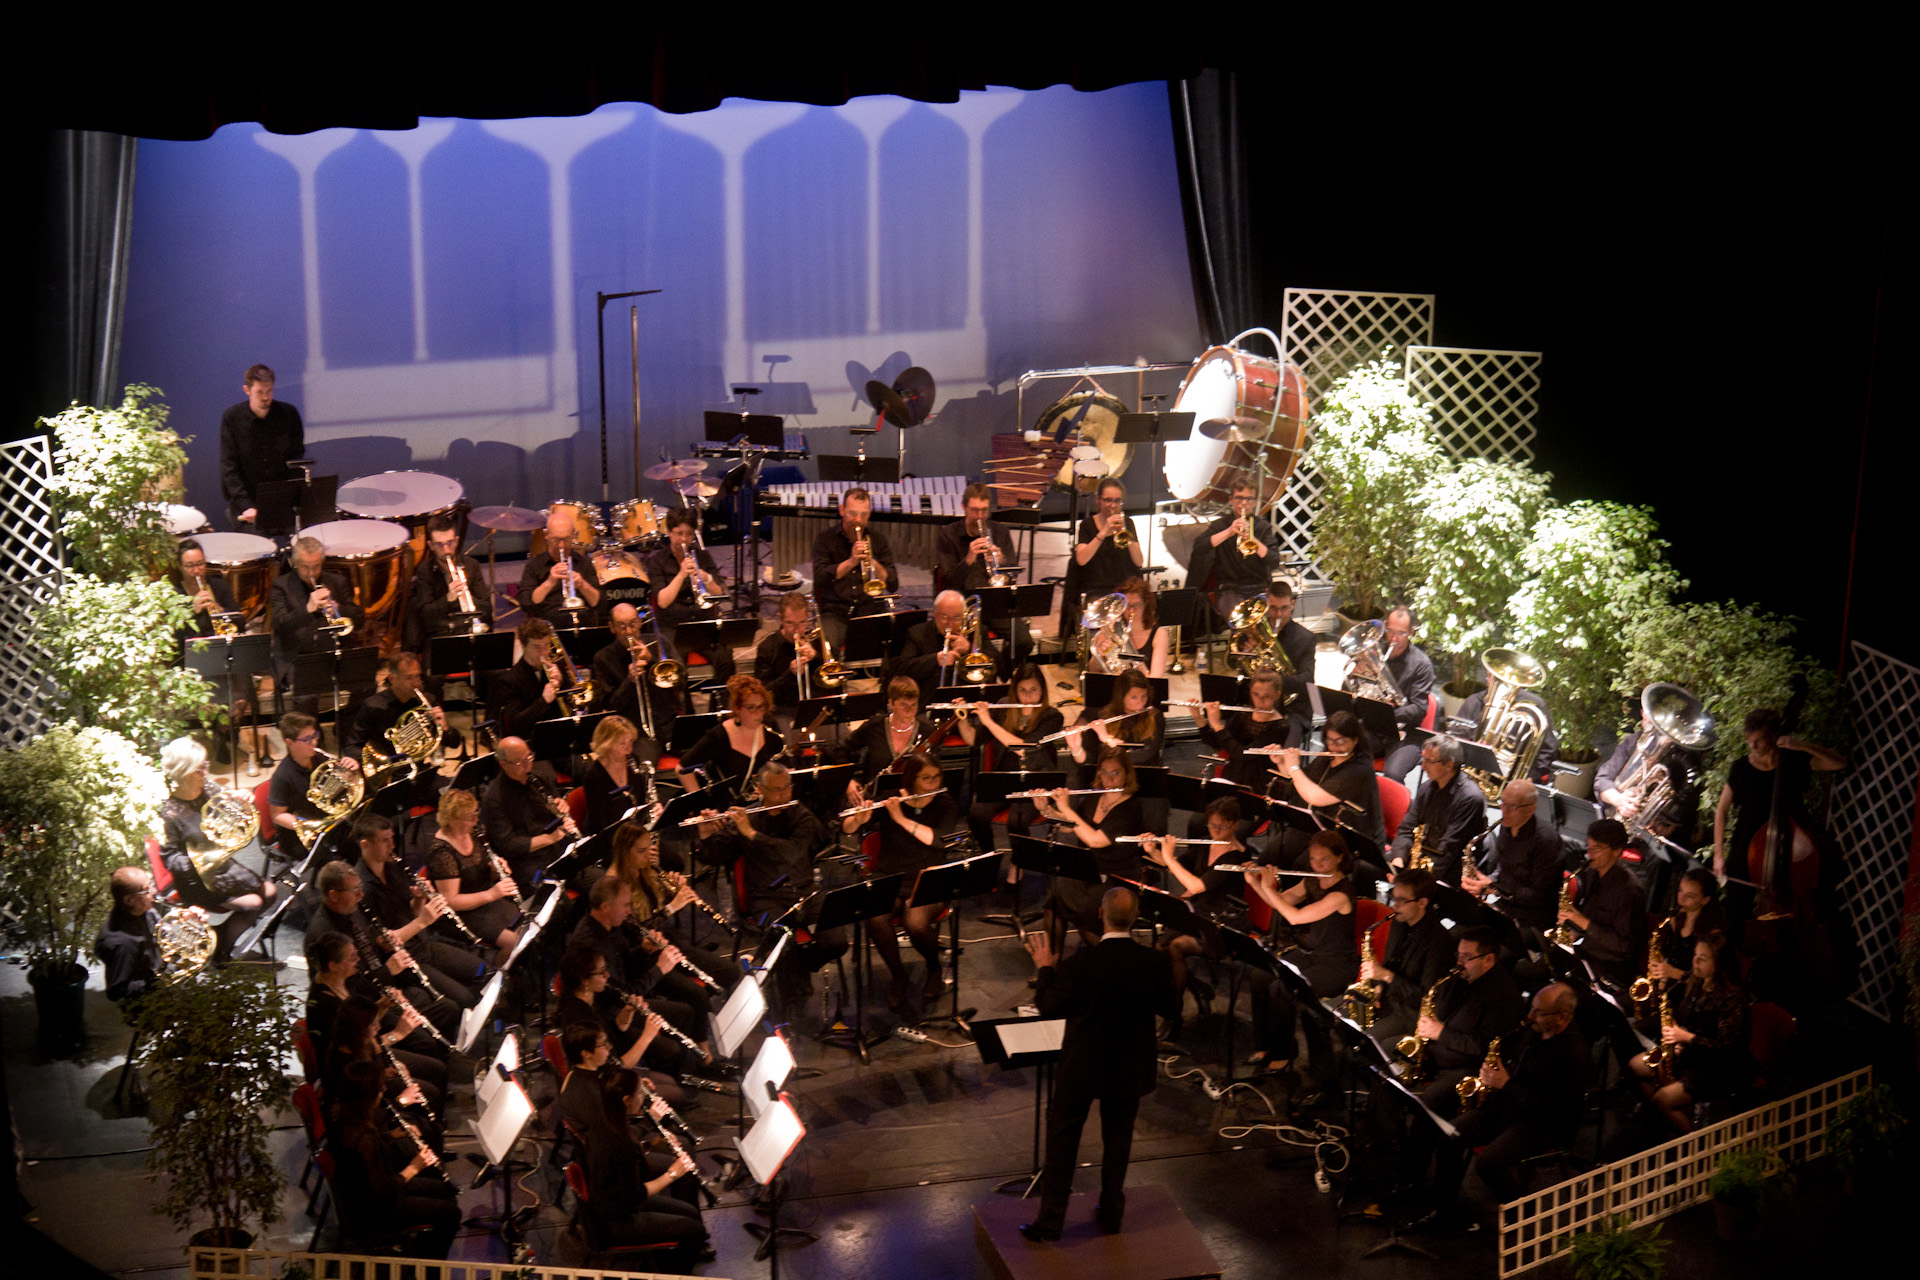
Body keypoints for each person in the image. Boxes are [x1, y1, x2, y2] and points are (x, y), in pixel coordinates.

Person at [1019, 886, 1181, 1242]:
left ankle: (1050, 1223)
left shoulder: (1082, 964)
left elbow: (1047, 1007)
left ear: (1100, 915)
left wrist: (1045, 968)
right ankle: (1111, 1216)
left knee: (1063, 1142)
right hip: (1129, 1066)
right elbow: (1172, 1009)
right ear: (1135, 918)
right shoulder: (1152, 962)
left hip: (1082, 1067)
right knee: (1118, 1142)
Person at [1410, 982, 1588, 1233]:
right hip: (1512, 1106)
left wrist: (1505, 1084)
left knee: (1489, 1162)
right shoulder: (1532, 1031)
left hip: (1544, 1124)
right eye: (1532, 1009)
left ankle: (1523, 1216)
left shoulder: (1572, 1055)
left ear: (1562, 1018)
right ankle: (1446, 1214)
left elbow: (1549, 1108)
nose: (1530, 1016)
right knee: (1451, 1133)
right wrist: (1492, 1075)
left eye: (1538, 1012)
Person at [691, 763, 849, 1004]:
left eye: (787, 788)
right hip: (766, 899)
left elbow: (793, 853)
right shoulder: (747, 816)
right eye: (776, 790)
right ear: (760, 790)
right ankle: (789, 1010)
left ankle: (801, 968)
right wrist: (705, 834)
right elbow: (717, 856)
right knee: (781, 943)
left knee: (837, 941)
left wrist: (751, 834)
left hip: (806, 892)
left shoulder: (802, 815)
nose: (783, 795)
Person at [1712, 705, 1847, 938]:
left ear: (1774, 737)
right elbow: (1721, 811)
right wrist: (1718, 854)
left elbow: (1839, 763)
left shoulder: (1794, 761)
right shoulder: (1741, 768)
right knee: (1735, 917)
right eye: (1749, 740)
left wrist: (1802, 745)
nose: (1752, 747)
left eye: (1759, 741)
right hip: (1745, 851)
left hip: (1785, 852)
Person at [841, 752, 958, 1010]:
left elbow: (938, 840)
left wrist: (902, 819)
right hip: (890, 873)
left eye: (937, 777)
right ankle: (898, 976)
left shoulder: (945, 803)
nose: (933, 783)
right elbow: (847, 828)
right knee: (875, 918)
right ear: (911, 779)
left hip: (929, 875)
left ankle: (934, 968)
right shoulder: (891, 797)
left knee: (915, 922)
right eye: (926, 778)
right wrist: (859, 818)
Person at [1243, 831, 1359, 1088]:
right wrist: (1256, 884)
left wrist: (1266, 886)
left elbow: (1294, 917)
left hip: (1336, 964)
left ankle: (1284, 1055)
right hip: (1310, 955)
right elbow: (1282, 902)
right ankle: (1266, 1046)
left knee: (1282, 988)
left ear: (1340, 858)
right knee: (1260, 976)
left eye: (1324, 860)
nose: (1317, 865)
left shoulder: (1341, 894)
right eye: (1313, 859)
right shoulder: (1313, 881)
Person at [302, 858, 466, 1035]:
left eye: (360, 887)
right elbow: (346, 990)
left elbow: (367, 945)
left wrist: (381, 943)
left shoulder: (351, 909)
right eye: (354, 890)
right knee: (425, 1032)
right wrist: (387, 971)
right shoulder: (324, 936)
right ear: (333, 895)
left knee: (446, 1007)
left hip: (384, 990)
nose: (361, 895)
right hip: (365, 1011)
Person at [157, 736, 279, 962]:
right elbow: (169, 858)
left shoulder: (208, 787)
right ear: (182, 772)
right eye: (199, 768)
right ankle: (222, 947)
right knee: (254, 903)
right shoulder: (168, 812)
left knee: (270, 892)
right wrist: (199, 859)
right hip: (195, 879)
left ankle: (223, 935)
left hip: (222, 866)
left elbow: (231, 809)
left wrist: (243, 800)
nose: (206, 772)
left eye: (205, 765)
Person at [323, 1059, 460, 1257]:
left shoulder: (342, 1116)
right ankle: (429, 1269)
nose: (384, 1090)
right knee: (451, 1213)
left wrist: (391, 1136)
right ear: (368, 1096)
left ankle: (421, 1251)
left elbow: (363, 1163)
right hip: (374, 1212)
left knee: (443, 1190)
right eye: (380, 1089)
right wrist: (414, 1167)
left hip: (360, 1198)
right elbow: (384, 1189)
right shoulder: (363, 1136)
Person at [352, 812, 488, 1004]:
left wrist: (419, 899)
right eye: (384, 841)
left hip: (423, 944)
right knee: (464, 998)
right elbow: (384, 943)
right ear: (365, 845)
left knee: (483, 970)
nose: (392, 845)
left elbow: (412, 912)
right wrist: (423, 921)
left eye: (392, 838)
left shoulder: (392, 867)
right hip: (404, 960)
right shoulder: (361, 889)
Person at [1629, 931, 1753, 1133]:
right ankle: (1665, 1123)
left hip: (1717, 1069)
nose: (1694, 962)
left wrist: (1685, 1038)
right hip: (1691, 1055)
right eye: (1695, 955)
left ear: (1719, 963)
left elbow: (1727, 1048)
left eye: (1702, 959)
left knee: (1662, 1100)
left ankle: (1693, 1145)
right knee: (1635, 1065)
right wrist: (1677, 1042)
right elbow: (1687, 1021)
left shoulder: (1732, 1000)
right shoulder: (1696, 984)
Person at [581, 1066, 708, 1255]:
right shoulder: (622, 1141)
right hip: (619, 1220)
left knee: (690, 1212)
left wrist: (650, 1145)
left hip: (608, 1203)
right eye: (640, 1093)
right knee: (695, 1229)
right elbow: (636, 1195)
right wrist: (673, 1173)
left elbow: (617, 1163)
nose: (644, 1098)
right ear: (626, 1100)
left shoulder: (603, 1120)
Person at [1034, 747, 1148, 953]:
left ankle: (1110, 963)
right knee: (1054, 902)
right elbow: (1070, 825)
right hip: (1087, 870)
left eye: (1116, 773)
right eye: (1104, 772)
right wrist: (1046, 809)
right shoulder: (1095, 798)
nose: (1109, 778)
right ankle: (1051, 964)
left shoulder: (1130, 808)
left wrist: (1067, 809)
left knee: (1086, 917)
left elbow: (1096, 840)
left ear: (1126, 774)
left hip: (1114, 877)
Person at [1403, 926, 1526, 1094]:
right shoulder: (1459, 976)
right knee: (1389, 1049)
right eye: (1458, 955)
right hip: (1439, 1048)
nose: (1459, 963)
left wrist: (1441, 1033)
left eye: (1466, 957)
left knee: (1430, 1098)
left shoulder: (1503, 997)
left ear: (1488, 959)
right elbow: (1438, 1005)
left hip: (1465, 1066)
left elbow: (1483, 1048)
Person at [554, 948, 684, 1105]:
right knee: (676, 1093)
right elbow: (617, 1066)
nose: (607, 976)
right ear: (584, 980)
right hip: (603, 1085)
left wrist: (627, 1012)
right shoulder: (580, 1017)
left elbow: (615, 1030)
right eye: (601, 973)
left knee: (669, 1081)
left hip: (613, 1072)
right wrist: (647, 1036)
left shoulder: (590, 998)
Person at [958, 666, 1065, 853]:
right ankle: (988, 855)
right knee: (976, 814)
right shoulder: (1004, 707)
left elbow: (1024, 749)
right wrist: (960, 717)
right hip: (1003, 778)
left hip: (1035, 781)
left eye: (1034, 690)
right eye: (1022, 690)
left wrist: (988, 721)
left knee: (1017, 821)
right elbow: (973, 739)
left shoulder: (1052, 716)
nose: (1028, 697)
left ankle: (1019, 863)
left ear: (1042, 690)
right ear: (1015, 690)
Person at [1267, 710, 1386, 869]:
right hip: (1315, 828)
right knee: (1268, 859)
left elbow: (1315, 797)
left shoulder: (1360, 770)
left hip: (1345, 840)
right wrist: (1282, 763)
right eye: (1329, 740)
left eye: (1340, 741)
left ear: (1355, 740)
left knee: (1299, 866)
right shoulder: (1328, 756)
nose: (1334, 746)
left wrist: (1293, 766)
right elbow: (1301, 784)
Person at [424, 788, 521, 954]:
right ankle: (501, 977)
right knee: (513, 942)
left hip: (486, 900)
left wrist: (495, 870)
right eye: (470, 817)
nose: (476, 820)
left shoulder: (474, 832)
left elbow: (482, 872)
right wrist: (492, 894)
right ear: (452, 819)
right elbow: (451, 901)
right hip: (462, 915)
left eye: (476, 813)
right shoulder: (441, 853)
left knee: (527, 927)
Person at [1462, 780, 1565, 934]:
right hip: (1506, 906)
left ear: (1531, 809)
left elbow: (1538, 896)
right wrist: (1486, 883)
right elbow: (1502, 870)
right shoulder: (1506, 826)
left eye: (1513, 807)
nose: (1504, 810)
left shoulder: (1547, 840)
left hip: (1534, 919)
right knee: (1461, 932)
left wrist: (1494, 889)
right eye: (1503, 803)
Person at [1367, 868, 1453, 1048]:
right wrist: (1377, 987)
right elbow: (1389, 963)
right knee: (1338, 1016)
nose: (1394, 905)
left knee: (1368, 1041)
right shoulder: (1399, 923)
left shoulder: (1438, 941)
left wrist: (1387, 977)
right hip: (1388, 999)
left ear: (1422, 902)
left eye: (1402, 900)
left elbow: (1425, 997)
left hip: (1410, 1012)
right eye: (1393, 897)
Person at [644, 507, 732, 681]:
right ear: (669, 533)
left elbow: (719, 593)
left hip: (702, 624)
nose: (684, 539)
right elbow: (662, 601)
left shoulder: (703, 557)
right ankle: (684, 707)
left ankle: (720, 705)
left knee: (726, 660)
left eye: (689, 534)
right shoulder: (656, 562)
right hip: (672, 628)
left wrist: (705, 577)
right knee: (676, 666)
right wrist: (682, 574)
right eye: (679, 533)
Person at [1558, 818, 1647, 989]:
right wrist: (1571, 927)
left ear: (1616, 851)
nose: (1589, 853)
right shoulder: (1593, 872)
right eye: (1588, 846)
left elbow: (1624, 946)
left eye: (1596, 848)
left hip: (1610, 967)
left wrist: (1582, 922)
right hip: (1587, 951)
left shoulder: (1629, 892)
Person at [1387, 734, 1488, 885]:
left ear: (1449, 765)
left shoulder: (1470, 798)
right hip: (1422, 858)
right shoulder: (1427, 788)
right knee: (1369, 866)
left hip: (1448, 869)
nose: (1423, 767)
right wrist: (1398, 859)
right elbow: (1407, 828)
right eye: (1424, 759)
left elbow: (1448, 850)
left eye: (1429, 761)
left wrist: (1411, 879)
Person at [269, 535, 364, 685]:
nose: (311, 573)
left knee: (363, 686)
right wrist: (307, 610)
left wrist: (338, 608)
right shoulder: (281, 585)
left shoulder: (337, 581)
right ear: (295, 563)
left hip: (334, 652)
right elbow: (280, 625)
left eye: (316, 566)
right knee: (308, 696)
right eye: (305, 567)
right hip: (298, 657)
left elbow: (359, 621)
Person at [811, 487, 897, 651]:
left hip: (870, 608)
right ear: (842, 510)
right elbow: (820, 578)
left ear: (869, 514)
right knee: (828, 646)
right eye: (852, 513)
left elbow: (893, 582)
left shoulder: (878, 540)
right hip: (835, 611)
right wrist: (851, 561)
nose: (858, 520)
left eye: (863, 515)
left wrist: (872, 561)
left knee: (892, 642)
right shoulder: (825, 539)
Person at [218, 363, 303, 530]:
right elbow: (229, 466)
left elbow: (296, 459)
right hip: (247, 500)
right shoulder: (232, 418)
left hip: (282, 499)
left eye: (269, 391)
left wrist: (294, 498)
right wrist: (246, 505)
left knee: (301, 545)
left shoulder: (288, 414)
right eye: (259, 392)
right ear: (247, 390)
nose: (265, 397)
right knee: (258, 548)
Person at [676, 674, 784, 800]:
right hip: (727, 808)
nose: (759, 714)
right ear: (737, 709)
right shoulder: (719, 735)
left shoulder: (769, 728)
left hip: (762, 807)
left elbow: (784, 768)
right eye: (751, 708)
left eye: (761, 706)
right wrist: (700, 803)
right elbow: (682, 768)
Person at [1062, 477, 1144, 643]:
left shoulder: (1127, 523)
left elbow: (1139, 561)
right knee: (1104, 627)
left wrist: (1126, 534)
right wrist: (1103, 533)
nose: (1112, 505)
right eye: (1108, 500)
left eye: (1117, 501)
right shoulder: (1087, 525)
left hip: (1122, 588)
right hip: (1096, 590)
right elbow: (1081, 559)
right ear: (1098, 500)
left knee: (1139, 612)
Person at [1189, 480, 1280, 618]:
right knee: (1241, 620)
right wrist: (1229, 532)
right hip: (1229, 588)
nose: (1243, 503)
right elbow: (1199, 547)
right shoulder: (1220, 525)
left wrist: (1253, 540)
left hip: (1259, 587)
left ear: (1255, 502)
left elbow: (1274, 561)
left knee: (1265, 620)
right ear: (1231, 500)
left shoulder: (1262, 527)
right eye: (1239, 498)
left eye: (1249, 499)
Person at [342, 651, 448, 767]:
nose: (416, 683)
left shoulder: (426, 702)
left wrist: (445, 728)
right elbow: (353, 746)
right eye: (409, 678)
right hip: (386, 774)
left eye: (417, 676)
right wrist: (372, 764)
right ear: (392, 678)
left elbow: (454, 743)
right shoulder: (374, 705)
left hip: (417, 770)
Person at [592, 602, 673, 752]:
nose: (629, 631)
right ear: (612, 627)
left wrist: (652, 661)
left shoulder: (659, 643)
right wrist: (629, 681)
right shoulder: (603, 658)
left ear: (640, 622)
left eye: (633, 624)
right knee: (645, 767)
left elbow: (682, 680)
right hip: (636, 732)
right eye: (622, 626)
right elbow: (610, 706)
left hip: (670, 724)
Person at [1199, 669, 1293, 794]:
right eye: (1256, 695)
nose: (1260, 701)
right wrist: (1198, 718)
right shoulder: (1243, 715)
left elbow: (1243, 755)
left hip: (1258, 785)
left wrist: (1217, 725)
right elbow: (1216, 743)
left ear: (1277, 695)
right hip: (1231, 776)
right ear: (1250, 692)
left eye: (1267, 696)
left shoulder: (1280, 727)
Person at [1066, 667, 1165, 786]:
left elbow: (1146, 754)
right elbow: (1088, 761)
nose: (1141, 702)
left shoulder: (1155, 716)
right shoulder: (1103, 715)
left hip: (1143, 780)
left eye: (1144, 696)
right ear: (1121, 696)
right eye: (1134, 697)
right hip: (1110, 780)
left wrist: (1108, 740)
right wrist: (1076, 749)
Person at [892, 590, 998, 694]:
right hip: (929, 697)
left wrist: (970, 649)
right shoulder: (917, 633)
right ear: (935, 613)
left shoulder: (976, 632)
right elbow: (902, 669)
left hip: (970, 697)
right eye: (944, 616)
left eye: (957, 617)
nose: (950, 624)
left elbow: (1000, 666)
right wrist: (935, 660)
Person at [409, 514, 489, 645]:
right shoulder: (425, 571)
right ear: (430, 545)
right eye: (440, 544)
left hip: (470, 629)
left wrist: (468, 599)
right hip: (441, 634)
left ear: (456, 541)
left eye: (450, 543)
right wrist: (448, 599)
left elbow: (487, 606)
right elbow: (425, 615)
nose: (446, 550)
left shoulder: (471, 565)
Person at [488, 617, 573, 740]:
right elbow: (515, 724)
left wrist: (562, 682)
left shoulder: (557, 667)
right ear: (523, 646)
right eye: (536, 647)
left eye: (547, 645)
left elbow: (569, 705)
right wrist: (543, 701)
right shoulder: (509, 680)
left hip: (558, 736)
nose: (543, 652)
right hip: (529, 741)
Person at [842, 676, 937, 784]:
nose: (909, 711)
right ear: (891, 703)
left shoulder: (927, 731)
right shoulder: (875, 726)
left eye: (913, 705)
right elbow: (841, 749)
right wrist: (849, 781)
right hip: (875, 798)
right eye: (903, 705)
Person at [519, 507, 601, 627]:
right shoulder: (535, 564)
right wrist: (550, 582)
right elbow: (525, 603)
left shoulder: (584, 563)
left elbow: (599, 603)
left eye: (566, 539)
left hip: (581, 625)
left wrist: (582, 584)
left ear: (573, 534)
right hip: (547, 630)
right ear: (546, 535)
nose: (561, 545)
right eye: (556, 540)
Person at [95, 867, 164, 1003]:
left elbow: (164, 933)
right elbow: (117, 992)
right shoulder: (122, 944)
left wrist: (188, 920)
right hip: (145, 1004)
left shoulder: (145, 911)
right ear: (129, 900)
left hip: (157, 977)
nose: (154, 892)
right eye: (147, 889)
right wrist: (158, 981)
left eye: (151, 884)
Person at [935, 482, 1019, 593]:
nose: (980, 516)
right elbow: (948, 584)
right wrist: (968, 560)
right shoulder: (948, 535)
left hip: (994, 595)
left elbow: (1013, 576)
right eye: (975, 510)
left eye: (984, 510)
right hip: (963, 597)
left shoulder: (1001, 532)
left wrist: (1002, 561)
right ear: (964, 507)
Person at [265, 711, 329, 851]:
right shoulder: (282, 776)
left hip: (324, 821)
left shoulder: (319, 759)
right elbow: (277, 815)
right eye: (307, 739)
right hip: (297, 835)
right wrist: (309, 826)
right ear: (290, 742)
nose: (314, 742)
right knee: (329, 855)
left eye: (315, 736)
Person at [752, 591, 824, 715]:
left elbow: (834, 676)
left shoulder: (816, 642)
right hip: (782, 709)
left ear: (807, 616)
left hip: (816, 706)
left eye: (802, 622)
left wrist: (816, 657)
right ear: (781, 618)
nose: (796, 629)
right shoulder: (767, 647)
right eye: (790, 623)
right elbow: (763, 693)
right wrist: (790, 674)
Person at [1087, 575, 1169, 678]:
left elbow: (1156, 677)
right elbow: (1092, 669)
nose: (1131, 611)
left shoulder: (1159, 634)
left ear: (1146, 605)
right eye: (1127, 605)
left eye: (1137, 605)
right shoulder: (1111, 628)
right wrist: (1099, 656)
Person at [580, 715, 643, 836]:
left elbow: (642, 802)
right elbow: (601, 824)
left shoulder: (633, 762)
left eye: (630, 741)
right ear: (607, 744)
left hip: (634, 832)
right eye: (622, 743)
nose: (629, 748)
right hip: (610, 838)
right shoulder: (594, 776)